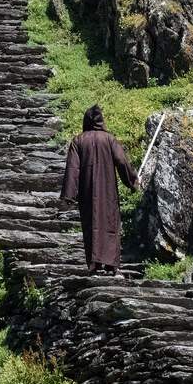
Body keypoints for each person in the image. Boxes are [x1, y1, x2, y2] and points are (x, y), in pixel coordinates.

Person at [58, 104, 138, 273]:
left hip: (87, 193)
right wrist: (132, 181)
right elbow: (122, 162)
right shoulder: (110, 140)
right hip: (108, 193)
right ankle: (111, 265)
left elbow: (73, 170)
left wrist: (68, 197)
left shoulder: (78, 141)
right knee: (109, 223)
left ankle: (94, 264)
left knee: (91, 224)